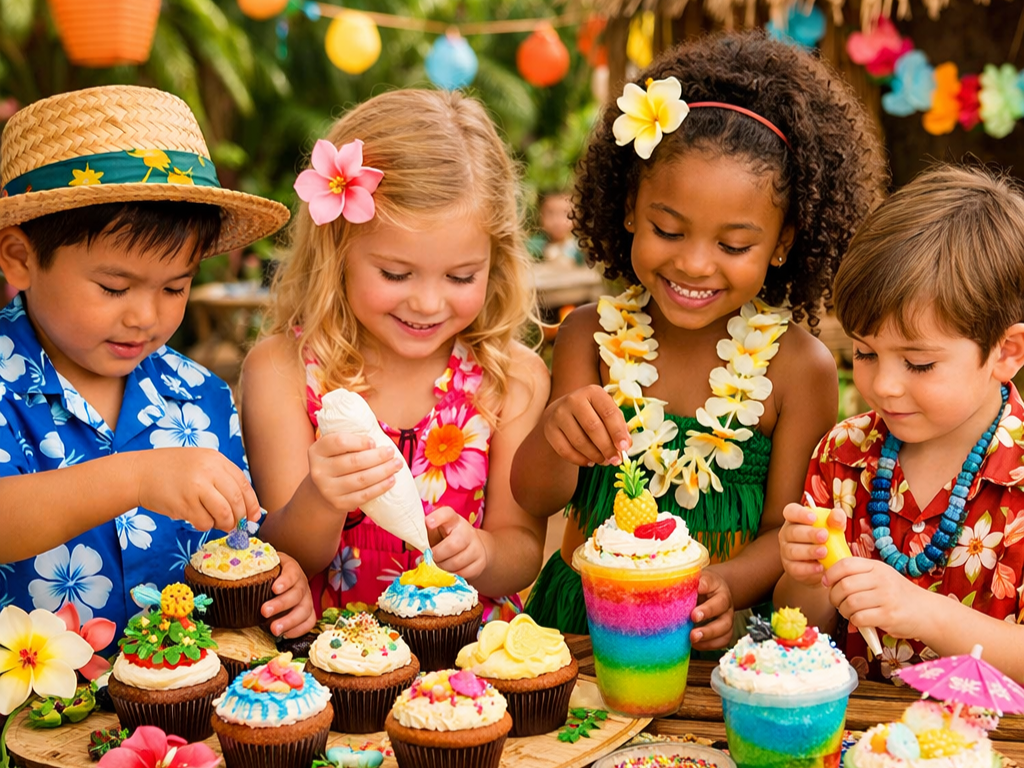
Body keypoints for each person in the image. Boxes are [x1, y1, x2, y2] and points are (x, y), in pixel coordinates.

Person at [513, 32, 885, 647]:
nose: (694, 264)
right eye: (667, 229)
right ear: (630, 208)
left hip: (711, 635)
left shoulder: (800, 369)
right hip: (582, 630)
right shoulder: (588, 336)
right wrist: (558, 433)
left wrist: (727, 586)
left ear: (784, 242)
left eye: (733, 246)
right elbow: (535, 496)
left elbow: (786, 530)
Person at [0, 85, 316, 639]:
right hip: (28, 714)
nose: (145, 316)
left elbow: (236, 543)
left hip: (183, 711)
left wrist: (274, 578)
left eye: (174, 287)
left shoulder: (201, 397)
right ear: (20, 259)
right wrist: (137, 476)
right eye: (114, 287)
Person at [242, 89, 550, 620]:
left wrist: (485, 553)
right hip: (331, 659)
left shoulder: (511, 379)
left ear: (495, 263)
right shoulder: (283, 372)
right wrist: (321, 496)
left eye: (461, 276)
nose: (427, 303)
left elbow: (522, 546)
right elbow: (285, 557)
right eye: (395, 274)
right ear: (337, 250)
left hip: (469, 664)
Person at [777, 165, 1024, 683]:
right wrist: (807, 577)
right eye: (865, 352)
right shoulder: (843, 454)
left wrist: (922, 612)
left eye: (918, 363)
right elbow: (799, 623)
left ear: (1006, 352)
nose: (885, 385)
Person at [527, 190, 582, 268]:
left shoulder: (581, 248)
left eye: (566, 213)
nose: (557, 221)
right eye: (550, 213)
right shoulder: (534, 246)